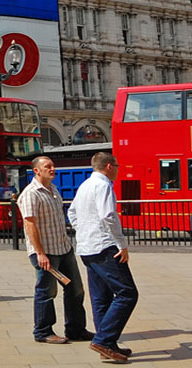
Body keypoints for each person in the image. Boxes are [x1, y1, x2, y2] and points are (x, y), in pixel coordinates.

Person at [68, 152, 138, 364]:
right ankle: (104, 340)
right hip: (105, 247)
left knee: (101, 298)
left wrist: (84, 231)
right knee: (127, 293)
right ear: (109, 166)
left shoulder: (84, 186)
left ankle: (107, 344)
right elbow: (108, 215)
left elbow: (71, 213)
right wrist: (121, 243)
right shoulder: (104, 185)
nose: (118, 169)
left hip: (87, 248)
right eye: (117, 166)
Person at [17, 156, 91, 344]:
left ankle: (76, 329)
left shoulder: (53, 189)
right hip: (46, 252)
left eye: (52, 165)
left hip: (63, 248)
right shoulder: (31, 193)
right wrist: (40, 253)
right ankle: (43, 331)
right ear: (36, 171)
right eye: (47, 166)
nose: (52, 169)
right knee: (47, 291)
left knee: (76, 289)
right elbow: (30, 224)